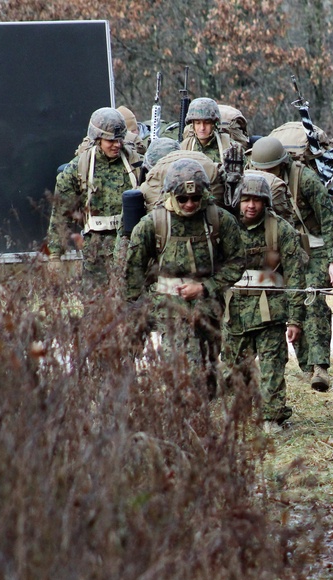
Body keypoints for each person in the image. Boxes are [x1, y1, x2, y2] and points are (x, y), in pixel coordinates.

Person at [124, 158, 245, 397]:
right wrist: (131, 310)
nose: (190, 204)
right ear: (171, 196)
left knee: (208, 362)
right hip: (170, 307)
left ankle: (202, 405)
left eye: (195, 199)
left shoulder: (219, 220)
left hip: (209, 304)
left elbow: (237, 262)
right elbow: (133, 270)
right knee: (181, 364)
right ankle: (181, 410)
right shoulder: (152, 224)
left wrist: (206, 287)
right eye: (183, 199)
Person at [248, 135, 333, 392]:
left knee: (311, 297)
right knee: (292, 304)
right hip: (281, 248)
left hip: (314, 248)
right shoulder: (251, 181)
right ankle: (307, 365)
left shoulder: (305, 180)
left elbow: (330, 221)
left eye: (270, 171)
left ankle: (319, 365)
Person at [221, 172, 307, 430]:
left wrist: (295, 320)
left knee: (272, 368)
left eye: (257, 200)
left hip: (271, 313)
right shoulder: (225, 226)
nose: (251, 205)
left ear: (266, 202)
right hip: (235, 313)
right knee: (233, 370)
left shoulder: (281, 230)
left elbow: (295, 277)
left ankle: (272, 417)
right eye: (246, 199)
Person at [48, 107, 142, 290]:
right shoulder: (79, 169)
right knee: (96, 309)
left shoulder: (136, 163)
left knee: (132, 306)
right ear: (97, 139)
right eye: (110, 141)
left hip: (131, 248)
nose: (117, 145)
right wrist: (54, 255)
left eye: (120, 140)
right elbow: (60, 214)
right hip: (96, 253)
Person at [180, 97, 233, 163]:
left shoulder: (229, 146)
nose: (202, 128)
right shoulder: (185, 146)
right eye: (198, 123)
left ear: (214, 123)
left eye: (207, 123)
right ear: (192, 125)